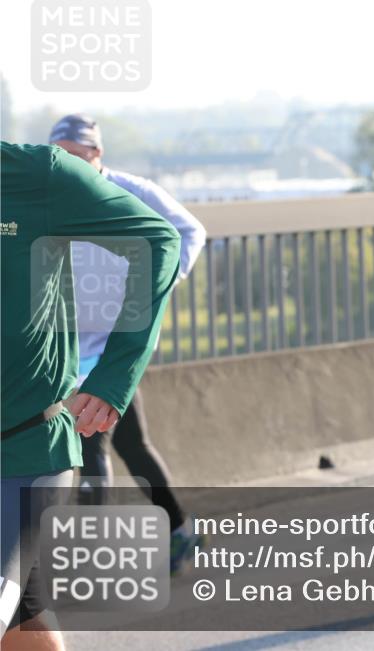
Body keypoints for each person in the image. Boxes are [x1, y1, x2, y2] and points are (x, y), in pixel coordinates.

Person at [1, 141, 180, 648]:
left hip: (22, 451)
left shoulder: (40, 175)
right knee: (25, 631)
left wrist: (114, 373)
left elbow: (156, 240)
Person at [49, 114, 208, 574]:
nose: (65, 163)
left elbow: (189, 230)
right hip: (65, 348)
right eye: (57, 154)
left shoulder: (131, 190)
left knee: (93, 442)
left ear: (96, 154)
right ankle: (180, 529)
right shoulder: (52, 195)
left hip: (116, 347)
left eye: (75, 154)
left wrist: (155, 288)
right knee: (133, 445)